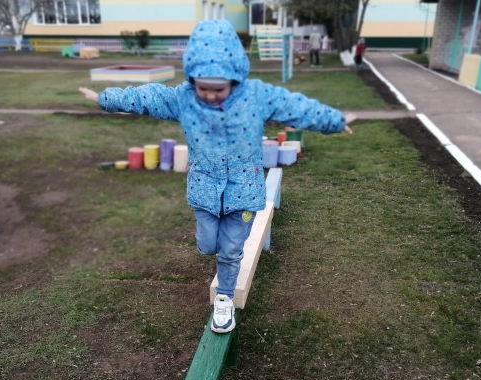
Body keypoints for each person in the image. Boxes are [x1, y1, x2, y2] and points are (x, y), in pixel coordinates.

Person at [79, 20, 356, 334]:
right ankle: (213, 247)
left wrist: (334, 121)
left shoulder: (257, 97)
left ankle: (224, 298)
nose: (210, 95)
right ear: (192, 79)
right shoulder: (184, 99)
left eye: (219, 89)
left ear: (236, 78)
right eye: (203, 88)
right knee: (208, 245)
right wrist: (105, 99)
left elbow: (296, 107)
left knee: (231, 250)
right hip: (204, 189)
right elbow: (148, 98)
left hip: (244, 191)